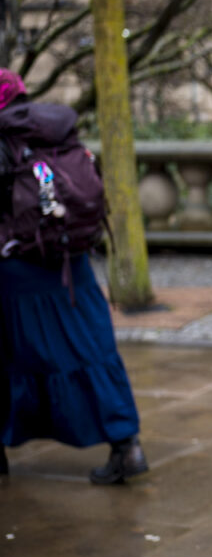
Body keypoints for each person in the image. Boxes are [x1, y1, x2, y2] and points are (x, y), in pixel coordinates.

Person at [0, 68, 147, 484]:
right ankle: (127, 446)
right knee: (91, 350)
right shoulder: (53, 131)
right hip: (70, 262)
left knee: (8, 355)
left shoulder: (5, 140)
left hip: (15, 269)